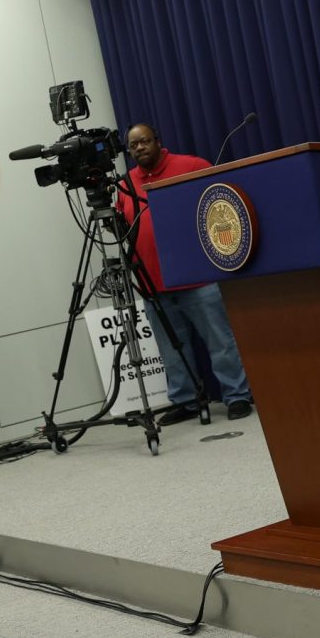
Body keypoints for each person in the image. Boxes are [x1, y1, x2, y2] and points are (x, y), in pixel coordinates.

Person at [115, 123, 254, 423]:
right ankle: (186, 400)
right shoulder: (125, 184)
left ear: (158, 141)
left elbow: (221, 206)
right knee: (170, 350)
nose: (139, 148)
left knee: (219, 341)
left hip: (198, 277)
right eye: (133, 145)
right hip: (153, 283)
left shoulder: (191, 166)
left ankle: (237, 395)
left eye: (144, 141)